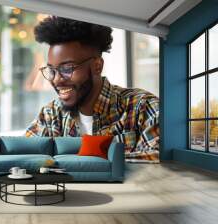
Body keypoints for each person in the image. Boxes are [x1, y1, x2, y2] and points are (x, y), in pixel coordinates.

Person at [25, 16, 159, 162]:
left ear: (97, 66)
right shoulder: (50, 115)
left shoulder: (142, 107)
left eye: (67, 68)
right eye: (52, 70)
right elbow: (25, 159)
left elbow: (159, 163)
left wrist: (81, 162)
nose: (56, 79)